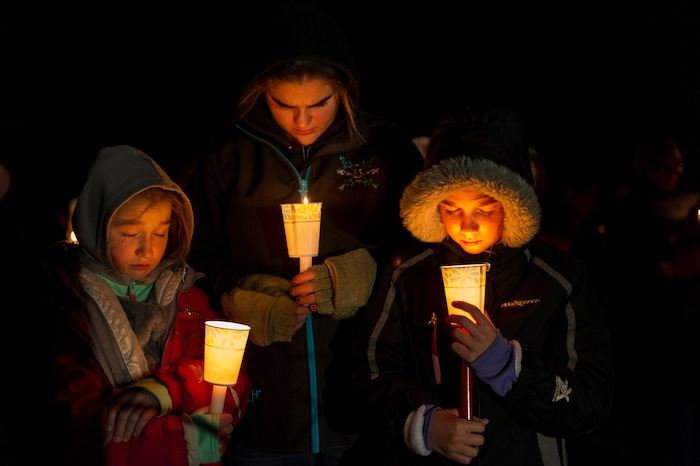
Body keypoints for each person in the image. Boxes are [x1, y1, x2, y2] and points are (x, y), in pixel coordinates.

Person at [184, 2, 425, 464]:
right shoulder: (228, 155)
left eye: (320, 103)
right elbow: (194, 259)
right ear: (261, 92)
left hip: (366, 400)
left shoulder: (385, 148)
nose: (303, 121)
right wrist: (241, 294)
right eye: (284, 105)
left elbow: (424, 252)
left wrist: (367, 273)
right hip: (265, 407)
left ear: (345, 90)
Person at [343, 106, 616, 465]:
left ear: (512, 203)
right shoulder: (408, 273)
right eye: (451, 208)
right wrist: (422, 424)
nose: (467, 226)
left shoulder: (556, 278)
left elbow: (589, 401)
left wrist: (507, 366)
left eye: (484, 210)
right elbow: (368, 370)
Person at [34, 145, 252, 465]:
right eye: (130, 232)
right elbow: (78, 427)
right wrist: (189, 442)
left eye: (160, 233)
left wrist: (163, 391)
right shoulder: (67, 307)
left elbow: (234, 383)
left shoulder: (188, 298)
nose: (147, 249)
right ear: (95, 226)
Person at [604, 134, 700, 464]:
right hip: (646, 337)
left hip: (668, 338)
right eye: (666, 169)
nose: (674, 176)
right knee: (655, 427)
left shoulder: (661, 210)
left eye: (679, 169)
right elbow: (657, 270)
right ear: (646, 167)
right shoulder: (632, 212)